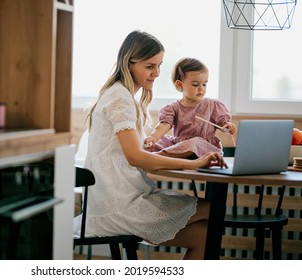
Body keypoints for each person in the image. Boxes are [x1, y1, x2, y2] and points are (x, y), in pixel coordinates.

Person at [73, 30, 227, 260]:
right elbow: (136, 157)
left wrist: (181, 152)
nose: (156, 73)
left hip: (123, 198)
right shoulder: (119, 98)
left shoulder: (122, 96)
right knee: (213, 210)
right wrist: (194, 164)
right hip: (118, 205)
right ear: (129, 63)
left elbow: (139, 155)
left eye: (159, 65)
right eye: (149, 66)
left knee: (204, 234)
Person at [144, 57, 237, 158]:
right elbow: (163, 125)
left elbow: (223, 123)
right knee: (162, 141)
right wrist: (153, 137)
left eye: (204, 84)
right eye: (195, 84)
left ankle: (160, 156)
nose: (201, 88)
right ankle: (163, 154)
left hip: (204, 148)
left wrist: (228, 126)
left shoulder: (212, 105)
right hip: (179, 145)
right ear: (180, 85)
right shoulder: (173, 108)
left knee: (195, 142)